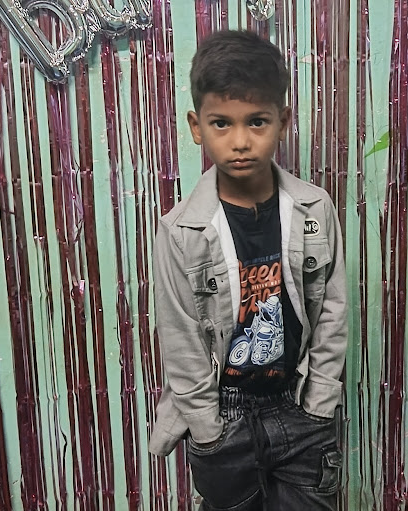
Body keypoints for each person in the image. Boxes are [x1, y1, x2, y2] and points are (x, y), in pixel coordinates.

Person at [149, 29, 348, 511]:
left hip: (298, 406)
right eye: (222, 123)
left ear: (283, 121)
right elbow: (180, 339)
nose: (240, 141)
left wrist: (319, 403)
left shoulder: (314, 209)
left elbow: (332, 311)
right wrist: (208, 428)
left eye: (257, 121)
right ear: (196, 126)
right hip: (226, 417)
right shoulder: (181, 230)